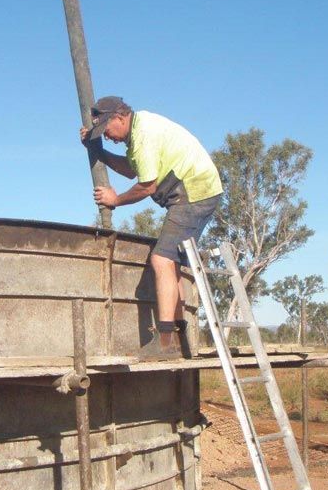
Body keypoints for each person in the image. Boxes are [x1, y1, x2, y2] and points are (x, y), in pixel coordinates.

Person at [80, 96, 222, 356]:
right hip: (195, 191)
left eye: (107, 130)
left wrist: (116, 200)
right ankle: (180, 341)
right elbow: (131, 170)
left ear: (119, 117)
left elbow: (147, 185)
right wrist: (98, 151)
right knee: (171, 264)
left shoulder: (144, 135)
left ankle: (166, 342)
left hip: (194, 191)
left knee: (161, 260)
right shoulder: (136, 134)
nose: (108, 136)